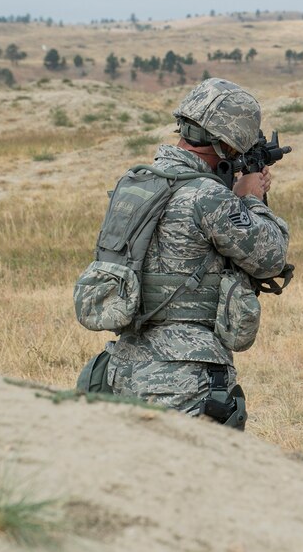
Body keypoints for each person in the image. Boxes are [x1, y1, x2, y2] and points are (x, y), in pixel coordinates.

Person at [97, 78, 289, 426]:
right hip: (184, 377)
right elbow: (270, 257)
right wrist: (250, 199)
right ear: (228, 145)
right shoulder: (206, 195)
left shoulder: (140, 182)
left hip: (123, 365)